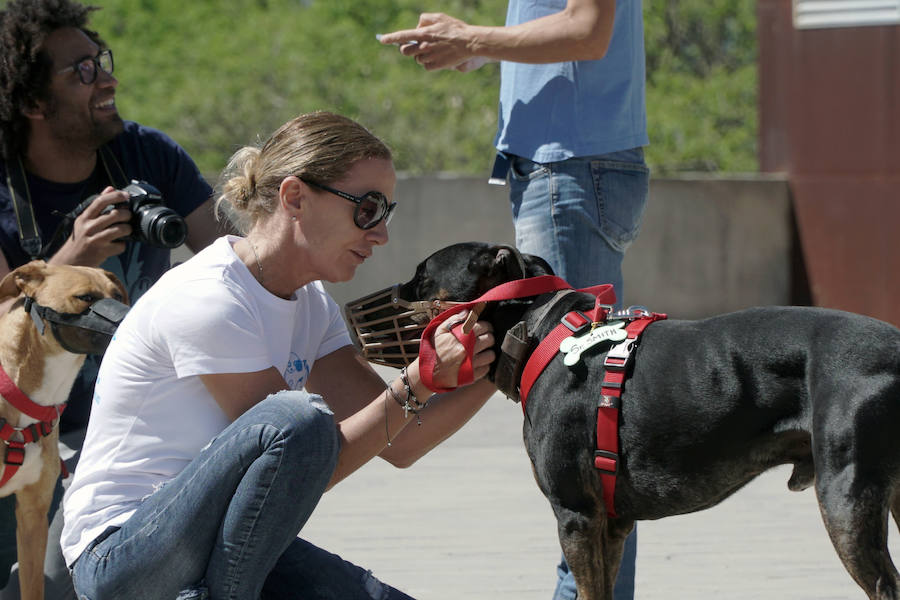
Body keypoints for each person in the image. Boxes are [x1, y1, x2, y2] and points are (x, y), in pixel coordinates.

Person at [60, 110, 498, 599]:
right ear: (295, 197)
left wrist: (503, 363)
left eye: (386, 213)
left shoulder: (310, 304)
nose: (380, 234)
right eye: (368, 208)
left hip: (217, 545)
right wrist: (418, 381)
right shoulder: (212, 298)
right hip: (123, 553)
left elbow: (401, 440)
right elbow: (302, 463)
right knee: (297, 420)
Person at [379, 1, 650, 598]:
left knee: (578, 428)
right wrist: (475, 48)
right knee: (586, 427)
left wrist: (471, 36)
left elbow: (587, 31)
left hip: (568, 169)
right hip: (567, 169)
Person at [0, 0, 227, 596]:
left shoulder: (148, 156)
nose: (108, 78)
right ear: (32, 103)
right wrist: (69, 263)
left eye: (101, 60)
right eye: (82, 70)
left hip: (146, 421)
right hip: (36, 430)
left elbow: (234, 270)